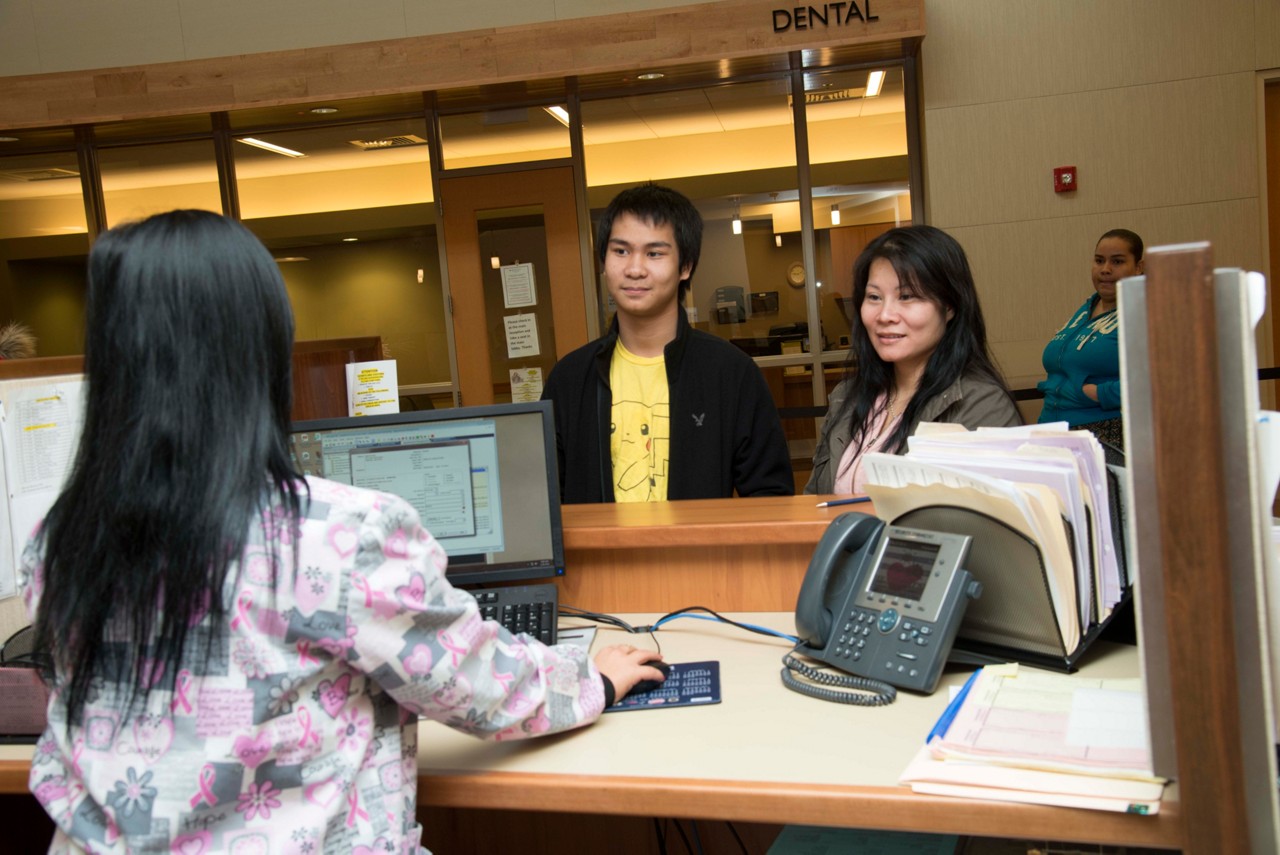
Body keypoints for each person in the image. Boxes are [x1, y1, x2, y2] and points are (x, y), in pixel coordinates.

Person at [19, 210, 664, 854]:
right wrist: (594, 678)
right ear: (260, 351)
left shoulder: (62, 542)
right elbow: (486, 690)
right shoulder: (332, 536)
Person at [542, 183, 793, 502]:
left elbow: (770, 497)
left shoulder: (730, 373)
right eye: (620, 251)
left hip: (698, 553)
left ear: (685, 267)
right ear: (603, 263)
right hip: (600, 554)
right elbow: (545, 499)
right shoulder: (570, 379)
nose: (634, 269)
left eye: (654, 253)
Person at [806, 225, 1021, 495]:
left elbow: (977, 526)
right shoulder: (847, 396)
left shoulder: (981, 406)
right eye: (874, 297)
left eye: (906, 297)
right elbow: (813, 503)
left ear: (950, 306)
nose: (885, 315)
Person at [1037, 229, 1144, 450]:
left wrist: (1097, 393)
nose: (1105, 269)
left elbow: (1158, 382)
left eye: (1117, 261)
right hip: (1052, 429)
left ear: (1138, 268)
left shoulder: (1143, 312)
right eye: (1099, 260)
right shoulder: (1088, 307)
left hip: (1103, 433)